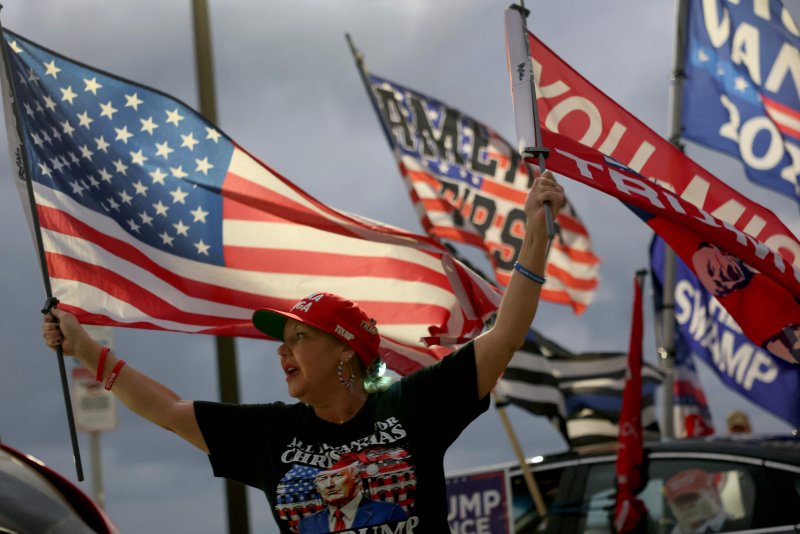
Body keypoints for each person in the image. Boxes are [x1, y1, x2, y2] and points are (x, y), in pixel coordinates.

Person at [42, 172, 564, 532]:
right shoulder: (273, 433)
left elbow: (505, 335)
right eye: (282, 342)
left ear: (344, 351)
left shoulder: (412, 407)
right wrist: (85, 349)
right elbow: (169, 411)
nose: (282, 352)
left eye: (299, 339)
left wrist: (535, 236)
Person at [298, 453, 406, 533]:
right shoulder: (307, 525)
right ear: (317, 488)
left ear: (356, 478)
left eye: (337, 476)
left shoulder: (388, 512)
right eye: (322, 479)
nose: (329, 484)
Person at [663, 469, 747, 533]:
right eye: (680, 502)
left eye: (692, 497)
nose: (687, 506)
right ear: (672, 509)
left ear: (711, 494)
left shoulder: (741, 527)